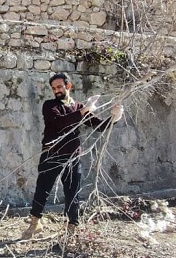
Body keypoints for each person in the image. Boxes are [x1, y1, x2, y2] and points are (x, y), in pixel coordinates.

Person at [21, 73, 124, 240]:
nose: (57, 91)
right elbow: (60, 122)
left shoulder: (79, 107)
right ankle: (35, 224)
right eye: (54, 88)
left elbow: (98, 126)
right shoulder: (50, 106)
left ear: (68, 86)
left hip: (72, 156)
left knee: (72, 192)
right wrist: (85, 109)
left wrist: (115, 116)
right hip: (51, 154)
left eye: (60, 87)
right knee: (43, 189)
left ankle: (72, 226)